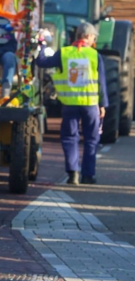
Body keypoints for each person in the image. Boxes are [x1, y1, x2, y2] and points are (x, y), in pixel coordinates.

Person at [36, 23, 107, 185]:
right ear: (87, 36)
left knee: (69, 138)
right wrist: (103, 105)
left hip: (70, 104)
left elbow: (42, 62)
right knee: (91, 139)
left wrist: (41, 44)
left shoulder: (64, 53)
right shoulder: (94, 55)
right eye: (94, 36)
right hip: (90, 105)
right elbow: (101, 83)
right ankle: (88, 175)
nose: (94, 39)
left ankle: (73, 173)